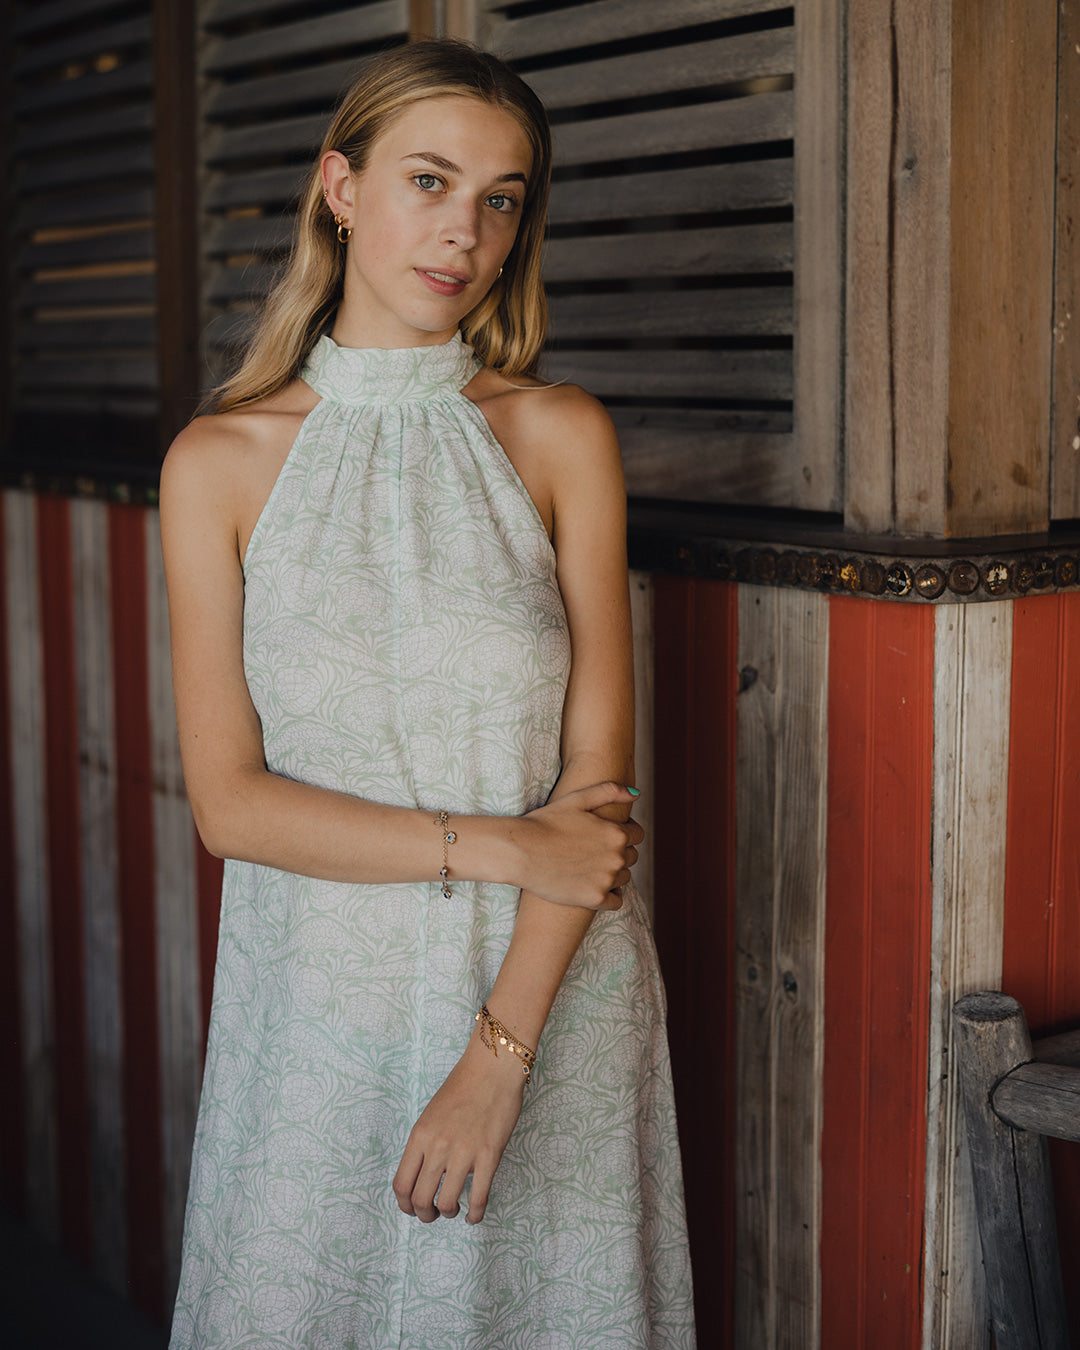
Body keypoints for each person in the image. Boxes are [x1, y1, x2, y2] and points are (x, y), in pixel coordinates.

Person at [162, 38, 694, 1350]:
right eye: (430, 180)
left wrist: (496, 1062)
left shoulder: (563, 435)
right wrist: (510, 845)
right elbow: (231, 806)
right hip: (317, 1013)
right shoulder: (218, 462)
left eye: (501, 198)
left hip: (547, 1003)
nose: (464, 230)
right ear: (340, 187)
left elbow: (599, 795)